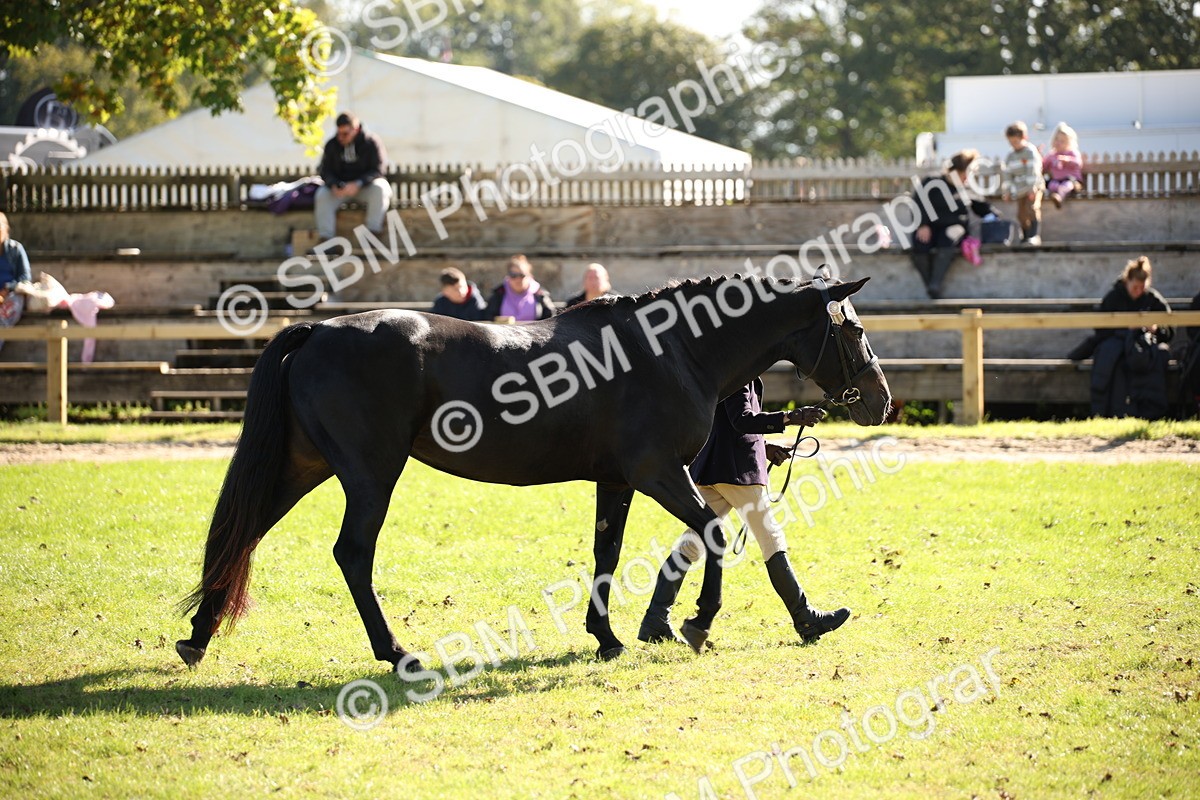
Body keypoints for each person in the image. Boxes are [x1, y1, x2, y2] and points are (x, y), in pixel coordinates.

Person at [638, 380, 849, 650]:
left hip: (711, 467)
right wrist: (791, 416)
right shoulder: (742, 371)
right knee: (771, 537)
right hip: (736, 471)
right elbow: (742, 420)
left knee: (693, 541)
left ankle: (655, 618)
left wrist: (764, 447)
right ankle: (805, 618)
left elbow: (726, 421)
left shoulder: (725, 366)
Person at [1069, 256, 1174, 419]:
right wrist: (1126, 330)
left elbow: (1169, 330)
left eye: (1142, 288)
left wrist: (1155, 329)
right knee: (1113, 354)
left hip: (1144, 350)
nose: (1138, 291)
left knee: (1157, 355)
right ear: (1127, 281)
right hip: (1119, 347)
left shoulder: (1152, 299)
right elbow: (1101, 329)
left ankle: (1149, 410)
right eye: (1135, 287)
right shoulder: (1113, 297)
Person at [909, 149, 995, 299]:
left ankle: (935, 284)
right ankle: (930, 284)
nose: (967, 178)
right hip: (930, 227)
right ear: (955, 171)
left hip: (954, 227)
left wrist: (994, 216)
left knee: (948, 238)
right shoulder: (932, 182)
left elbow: (983, 208)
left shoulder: (966, 189)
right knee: (920, 244)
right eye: (965, 174)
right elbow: (918, 203)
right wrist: (922, 224)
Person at [315, 112, 392, 243]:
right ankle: (327, 240)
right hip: (340, 190)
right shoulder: (332, 144)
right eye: (339, 133)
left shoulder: (371, 142)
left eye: (345, 134)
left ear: (355, 129)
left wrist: (359, 183)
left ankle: (373, 236)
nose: (341, 137)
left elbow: (379, 169)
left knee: (381, 188)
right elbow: (324, 170)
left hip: (365, 188)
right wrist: (333, 184)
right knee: (322, 194)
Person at [1003, 121, 1044, 246]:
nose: (1013, 145)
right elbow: (1008, 175)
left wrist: (1032, 188)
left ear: (1024, 138)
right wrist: (1007, 191)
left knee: (1031, 208)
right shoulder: (1010, 156)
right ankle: (1025, 236)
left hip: (1033, 186)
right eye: (1011, 142)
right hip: (1019, 189)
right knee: (1021, 214)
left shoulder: (1030, 152)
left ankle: (1034, 235)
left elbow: (1033, 171)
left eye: (1016, 142)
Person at [484, 254, 556, 322]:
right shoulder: (498, 294)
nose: (518, 279)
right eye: (513, 275)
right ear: (508, 276)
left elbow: (551, 319)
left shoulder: (540, 294)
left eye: (522, 275)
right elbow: (488, 318)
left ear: (529, 275)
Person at [0, 212, 32, 353]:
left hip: (12, 295)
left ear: (6, 229)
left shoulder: (16, 249)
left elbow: (25, 278)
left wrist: (8, 288)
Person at [1042, 122, 1084, 209]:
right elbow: (1043, 166)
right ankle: (1056, 195)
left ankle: (1059, 197)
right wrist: (1038, 155)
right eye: (1057, 140)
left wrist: (1068, 160)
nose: (1058, 143)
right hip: (1057, 180)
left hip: (1072, 180)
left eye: (1062, 141)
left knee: (1067, 185)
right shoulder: (1051, 155)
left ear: (1069, 143)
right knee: (1051, 184)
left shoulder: (1072, 153)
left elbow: (1078, 163)